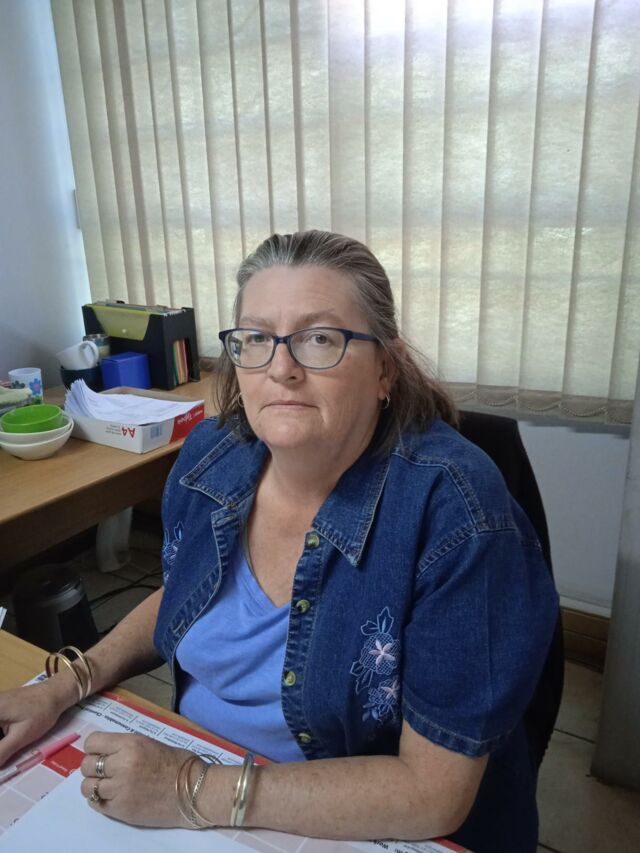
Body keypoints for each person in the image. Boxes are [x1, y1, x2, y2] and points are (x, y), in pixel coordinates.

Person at [0, 230, 558, 852]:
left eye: (320, 339)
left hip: (349, 817)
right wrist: (65, 686)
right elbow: (186, 594)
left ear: (385, 369)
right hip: (200, 774)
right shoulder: (212, 456)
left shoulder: (459, 518)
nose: (281, 369)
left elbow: (432, 793)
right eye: (258, 338)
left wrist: (188, 788)